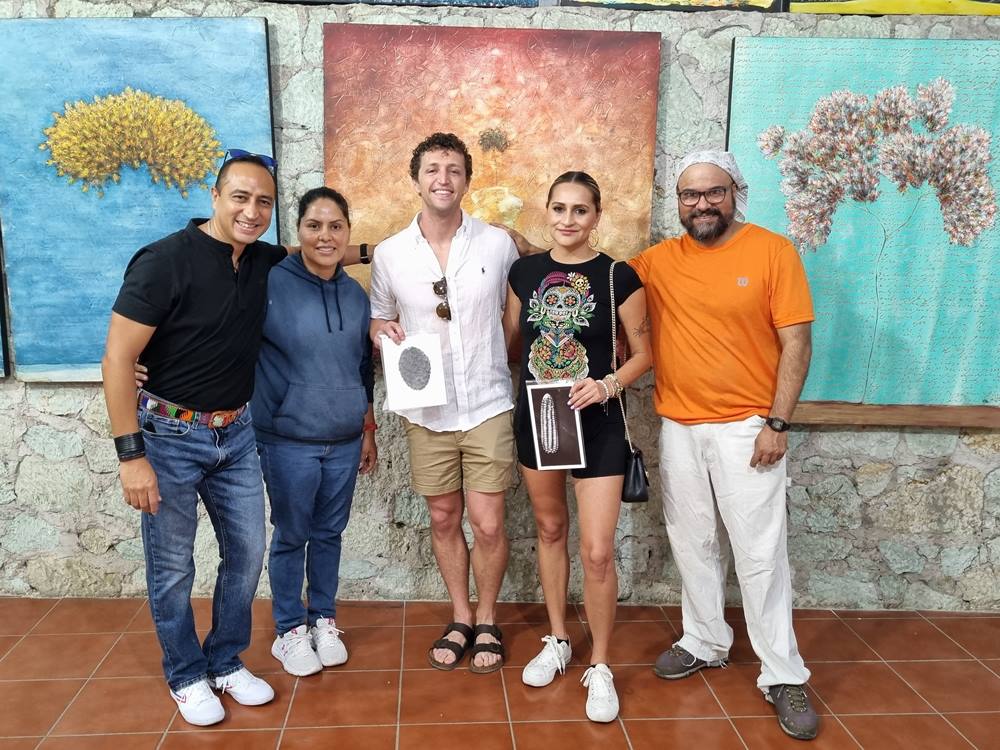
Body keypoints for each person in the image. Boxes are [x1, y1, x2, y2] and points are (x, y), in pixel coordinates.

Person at [628, 150, 818, 740]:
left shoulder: (773, 251)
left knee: (760, 555)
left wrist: (777, 424)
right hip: (679, 427)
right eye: (690, 195)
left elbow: (797, 343)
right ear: (678, 202)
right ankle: (706, 639)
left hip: (748, 427)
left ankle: (783, 673)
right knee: (692, 542)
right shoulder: (657, 261)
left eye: (714, 192)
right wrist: (520, 246)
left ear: (735, 192)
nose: (702, 204)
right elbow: (591, 272)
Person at [102, 151, 284, 726]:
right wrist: (132, 457)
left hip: (237, 434)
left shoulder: (260, 260)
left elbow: (320, 251)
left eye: (263, 202)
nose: (252, 211)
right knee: (174, 566)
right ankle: (185, 674)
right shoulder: (163, 261)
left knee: (248, 553)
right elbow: (117, 359)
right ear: (215, 196)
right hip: (168, 436)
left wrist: (380, 248)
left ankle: (225, 660)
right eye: (241, 197)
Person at [503, 172, 651, 723]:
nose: (568, 219)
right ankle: (559, 640)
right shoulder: (523, 272)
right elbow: (511, 345)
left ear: (596, 216)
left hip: (599, 424)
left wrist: (607, 384)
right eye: (559, 208)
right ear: (547, 211)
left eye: (580, 210)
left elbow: (645, 354)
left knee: (596, 551)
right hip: (541, 419)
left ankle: (602, 664)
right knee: (549, 530)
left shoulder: (618, 275)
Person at [369, 132, 518, 673]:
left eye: (454, 169)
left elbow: (514, 313)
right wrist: (381, 332)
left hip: (487, 401)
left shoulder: (498, 244)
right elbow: (379, 318)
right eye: (432, 169)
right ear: (416, 180)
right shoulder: (389, 253)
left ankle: (488, 618)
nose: (443, 179)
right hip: (426, 409)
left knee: (489, 523)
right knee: (442, 515)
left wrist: (498, 353)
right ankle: (460, 616)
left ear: (467, 181)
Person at [250, 187, 378, 677]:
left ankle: (323, 618)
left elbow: (363, 367)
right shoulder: (268, 281)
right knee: (291, 535)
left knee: (329, 534)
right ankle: (288, 630)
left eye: (335, 226)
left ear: (347, 232)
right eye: (314, 226)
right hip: (287, 438)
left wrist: (367, 427)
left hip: (344, 438)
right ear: (298, 230)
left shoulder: (356, 295)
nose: (325, 236)